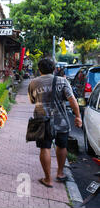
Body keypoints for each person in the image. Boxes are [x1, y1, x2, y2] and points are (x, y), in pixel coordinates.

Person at [28, 58, 82, 188]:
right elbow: (72, 100)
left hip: (41, 120)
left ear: (39, 69)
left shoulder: (33, 82)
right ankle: (60, 173)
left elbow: (33, 100)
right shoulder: (62, 81)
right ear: (54, 68)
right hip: (61, 120)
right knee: (62, 146)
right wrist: (78, 116)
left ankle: (47, 179)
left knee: (45, 148)